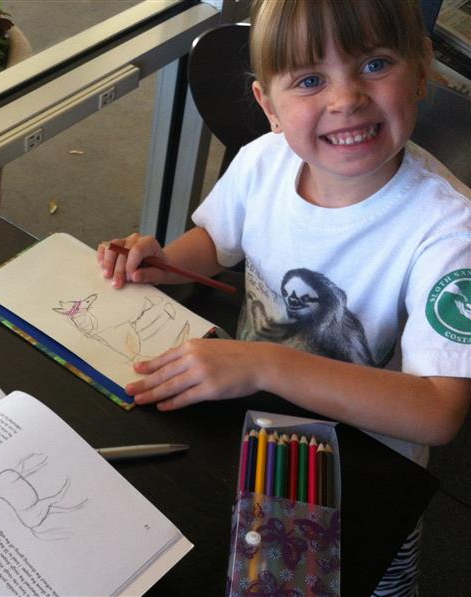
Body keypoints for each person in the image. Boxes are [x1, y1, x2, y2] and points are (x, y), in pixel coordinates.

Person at [97, 0, 470, 594]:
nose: (346, 99)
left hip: (366, 467)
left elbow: (438, 411)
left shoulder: (450, 231)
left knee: (374, 579)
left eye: (375, 64)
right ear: (269, 106)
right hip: (256, 430)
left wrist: (263, 364)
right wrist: (163, 264)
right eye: (310, 80)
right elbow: (215, 243)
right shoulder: (263, 164)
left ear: (422, 69)